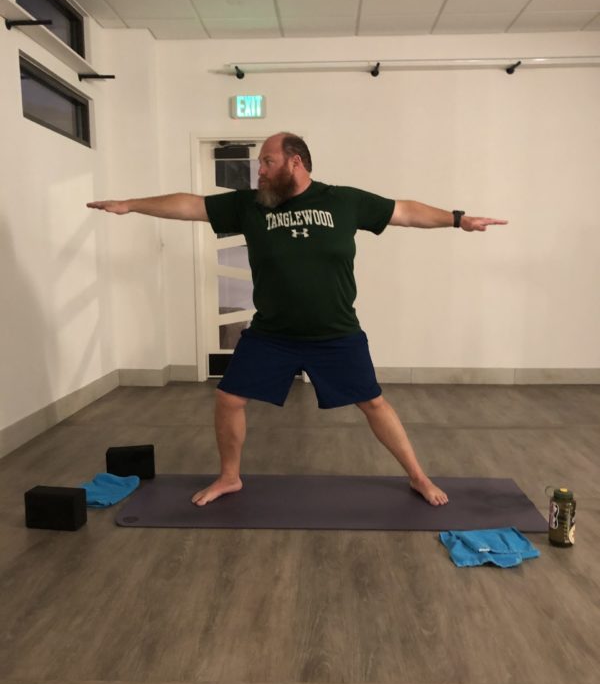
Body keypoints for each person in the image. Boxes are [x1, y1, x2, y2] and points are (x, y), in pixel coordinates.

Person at [87, 132, 507, 509]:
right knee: (229, 399)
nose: (260, 171)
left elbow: (406, 212)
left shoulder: (343, 201)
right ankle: (230, 476)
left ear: (296, 162)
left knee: (373, 403)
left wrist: (458, 219)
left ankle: (417, 476)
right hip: (272, 333)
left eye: (267, 162)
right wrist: (131, 205)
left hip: (335, 331)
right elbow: (190, 204)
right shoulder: (250, 204)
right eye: (259, 164)